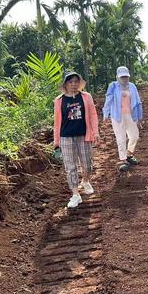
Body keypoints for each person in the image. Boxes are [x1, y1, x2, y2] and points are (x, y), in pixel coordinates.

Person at [54, 71, 99, 209]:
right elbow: (56, 122)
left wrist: (95, 132)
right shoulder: (59, 100)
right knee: (70, 167)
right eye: (70, 82)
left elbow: (92, 115)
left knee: (87, 164)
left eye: (76, 81)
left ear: (79, 83)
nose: (74, 84)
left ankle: (85, 181)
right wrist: (56, 142)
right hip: (66, 136)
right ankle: (75, 194)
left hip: (83, 135)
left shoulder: (86, 97)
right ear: (65, 84)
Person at [103, 66, 143, 172]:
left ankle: (129, 153)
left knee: (134, 136)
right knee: (121, 138)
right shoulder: (113, 86)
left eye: (126, 77)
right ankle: (124, 160)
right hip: (117, 116)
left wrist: (139, 116)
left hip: (131, 115)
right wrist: (106, 114)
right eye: (122, 77)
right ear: (117, 77)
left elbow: (138, 102)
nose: (124, 79)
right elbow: (108, 100)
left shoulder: (132, 86)